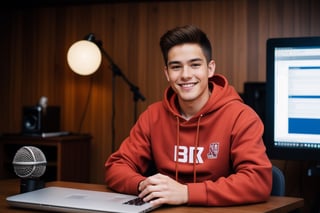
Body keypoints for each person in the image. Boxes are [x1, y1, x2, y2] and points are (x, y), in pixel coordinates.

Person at [105, 25, 272, 207]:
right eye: (176, 67)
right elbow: (116, 166)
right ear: (167, 73)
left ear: (210, 69)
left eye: (195, 65)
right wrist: (143, 185)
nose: (185, 75)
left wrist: (186, 193)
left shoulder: (241, 117)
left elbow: (258, 181)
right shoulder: (153, 116)